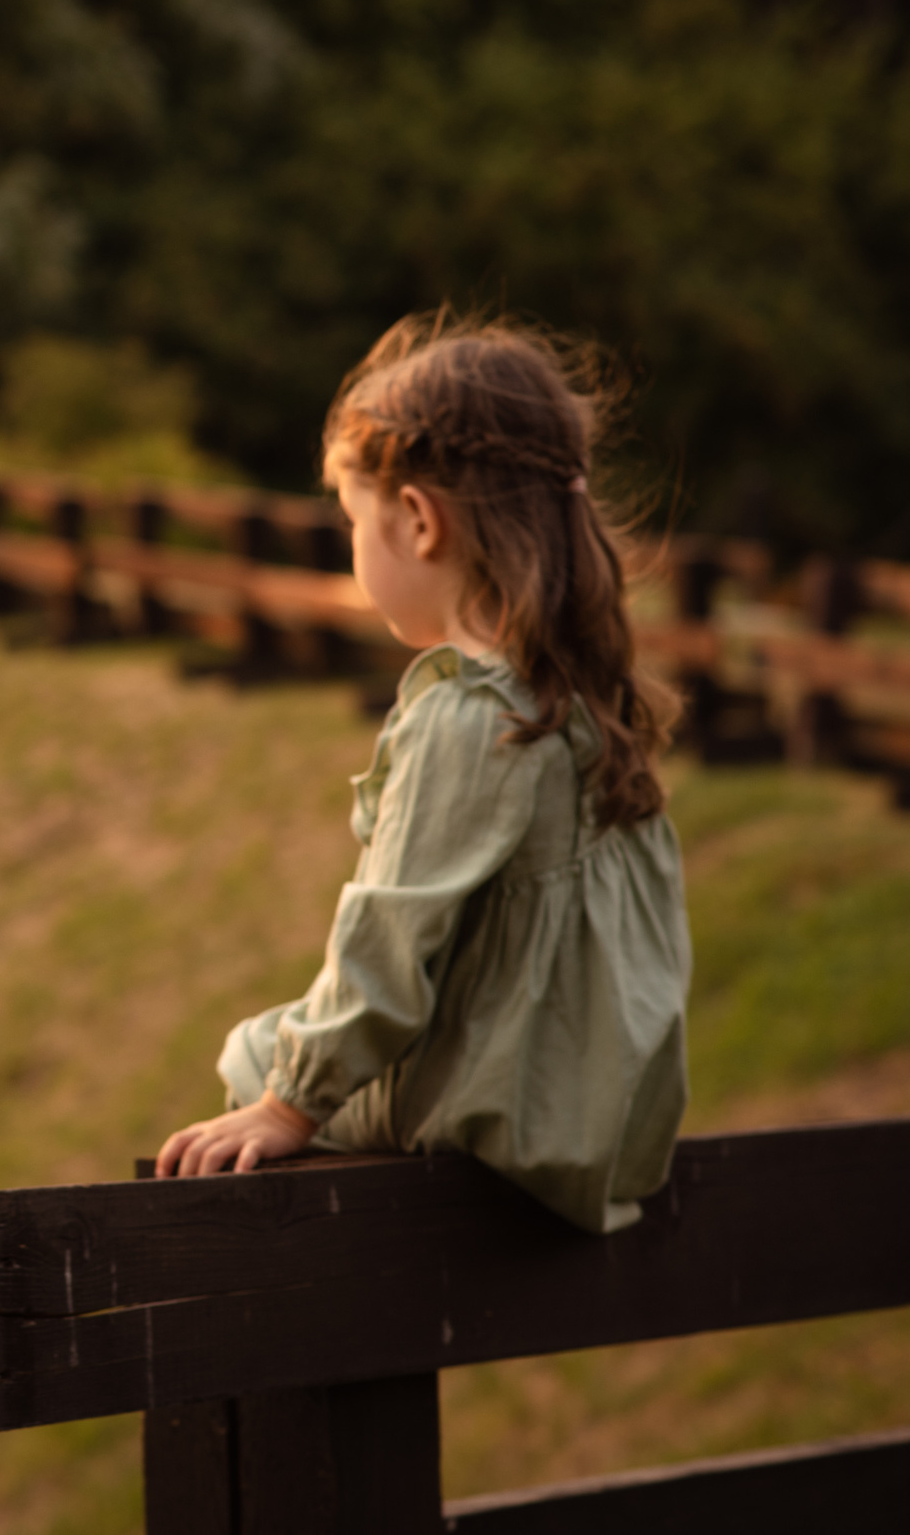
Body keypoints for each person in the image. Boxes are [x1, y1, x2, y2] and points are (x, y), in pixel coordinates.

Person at [155, 312, 691, 1233]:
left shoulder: (470, 714)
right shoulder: (582, 703)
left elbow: (390, 938)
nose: (354, 551)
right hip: (602, 1113)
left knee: (250, 1051)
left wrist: (290, 1103)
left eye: (353, 519)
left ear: (416, 519)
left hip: (505, 1110)